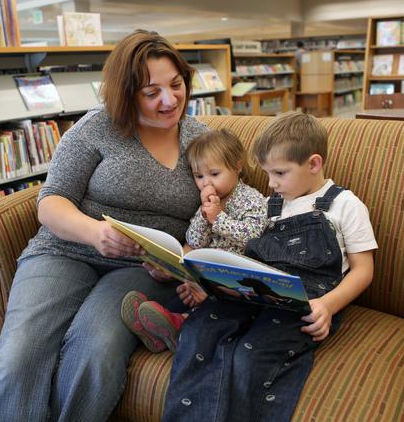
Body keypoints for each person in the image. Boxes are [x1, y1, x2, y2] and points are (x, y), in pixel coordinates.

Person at [0, 29, 211, 422]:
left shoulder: (202, 140)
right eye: (151, 92)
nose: (170, 100)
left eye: (175, 85)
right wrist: (94, 233)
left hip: (142, 267)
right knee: (18, 356)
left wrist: (182, 257)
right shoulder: (96, 127)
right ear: (126, 92)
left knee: (95, 350)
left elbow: (218, 213)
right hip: (64, 250)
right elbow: (50, 202)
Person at [162, 111, 378, 422]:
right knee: (199, 332)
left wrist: (328, 307)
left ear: (313, 164)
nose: (271, 182)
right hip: (258, 292)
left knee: (249, 356)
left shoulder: (344, 205)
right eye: (267, 173)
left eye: (279, 173)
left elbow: (363, 270)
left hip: (308, 301)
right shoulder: (271, 206)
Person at [121, 128, 268, 352]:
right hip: (203, 272)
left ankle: (177, 325)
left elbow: (253, 236)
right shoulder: (207, 203)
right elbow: (195, 240)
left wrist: (218, 219)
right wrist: (203, 216)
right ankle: (159, 324)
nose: (206, 183)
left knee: (207, 299)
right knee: (183, 292)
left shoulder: (251, 199)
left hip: (232, 277)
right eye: (199, 176)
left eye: (214, 174)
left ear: (238, 166)